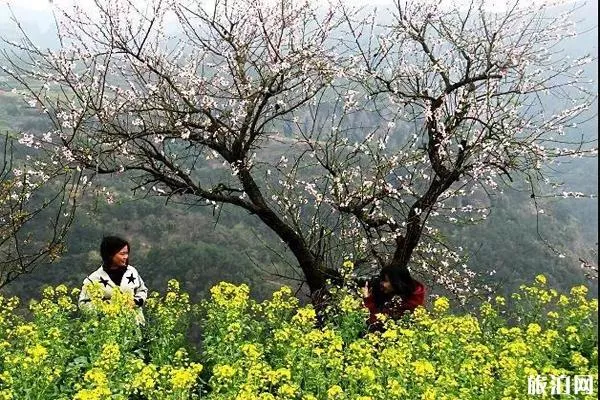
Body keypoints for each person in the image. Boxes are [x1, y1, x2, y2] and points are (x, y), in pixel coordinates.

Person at [79, 235, 148, 324]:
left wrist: (135, 302)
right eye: (122, 254)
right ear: (110, 255)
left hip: (133, 325)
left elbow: (142, 290)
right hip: (107, 328)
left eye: (127, 253)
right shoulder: (93, 279)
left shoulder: (132, 272)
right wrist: (104, 308)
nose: (126, 257)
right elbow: (83, 304)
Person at [362, 266, 425, 330]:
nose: (381, 284)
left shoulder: (408, 305)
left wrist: (368, 300)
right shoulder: (394, 293)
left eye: (385, 281)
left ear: (396, 283)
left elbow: (377, 324)